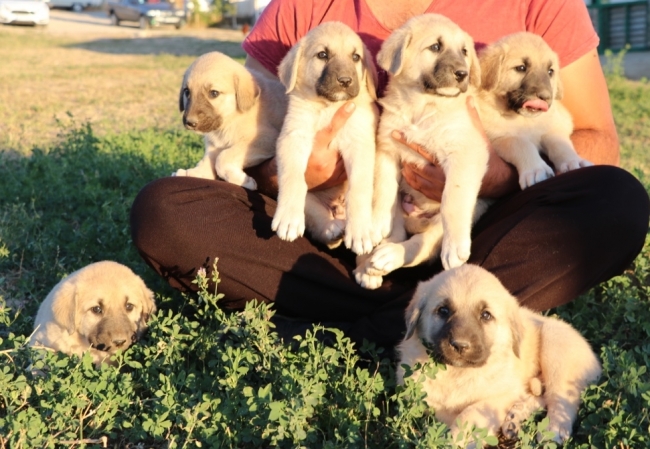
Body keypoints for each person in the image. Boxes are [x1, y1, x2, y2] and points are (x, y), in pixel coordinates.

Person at [130, 0, 649, 351]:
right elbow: (250, 119)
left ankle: (356, 323)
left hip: (481, 231)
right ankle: (429, 317)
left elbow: (596, 136)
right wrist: (290, 173)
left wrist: (496, 177)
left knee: (615, 202)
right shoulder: (302, 8)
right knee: (165, 212)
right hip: (329, 231)